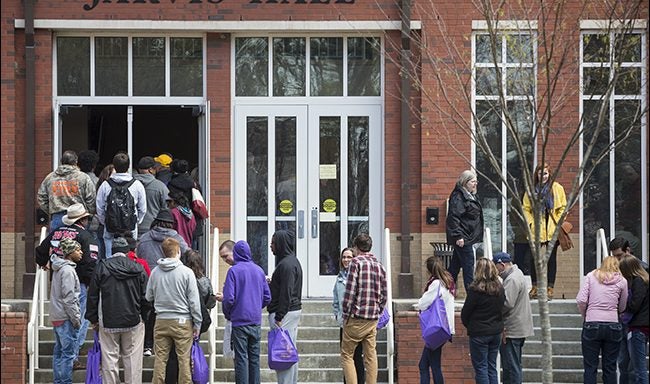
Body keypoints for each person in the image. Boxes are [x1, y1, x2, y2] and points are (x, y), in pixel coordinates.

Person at [34, 203, 99, 369]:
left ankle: (64, 360)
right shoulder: (86, 236)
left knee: (62, 325)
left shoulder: (56, 232)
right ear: (83, 219)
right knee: (79, 320)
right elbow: (90, 263)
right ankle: (73, 357)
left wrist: (44, 263)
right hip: (78, 284)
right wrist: (91, 283)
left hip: (57, 281)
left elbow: (40, 250)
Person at [85, 237, 149, 384]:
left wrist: (93, 318)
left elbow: (93, 295)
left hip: (108, 320)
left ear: (111, 251)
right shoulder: (137, 268)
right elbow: (146, 297)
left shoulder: (101, 267)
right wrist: (144, 316)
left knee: (109, 359)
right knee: (132, 359)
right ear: (127, 252)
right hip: (133, 319)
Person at [146, 237, 202, 384]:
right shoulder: (187, 272)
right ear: (178, 251)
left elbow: (148, 296)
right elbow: (194, 301)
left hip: (161, 320)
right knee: (184, 359)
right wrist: (197, 323)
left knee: (160, 359)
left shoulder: (155, 272)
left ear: (163, 252)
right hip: (182, 321)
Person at [136, 209, 190, 356]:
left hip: (149, 280)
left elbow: (138, 257)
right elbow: (188, 253)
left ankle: (147, 346)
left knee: (149, 313)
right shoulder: (176, 238)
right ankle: (168, 347)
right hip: (172, 283)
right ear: (171, 224)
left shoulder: (145, 238)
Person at [164, 249, 217, 384]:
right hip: (195, 324)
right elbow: (210, 302)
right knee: (190, 355)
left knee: (173, 355)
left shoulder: (179, 277)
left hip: (179, 320)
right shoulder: (205, 281)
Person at [222, 240, 271, 384]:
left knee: (241, 359)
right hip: (255, 321)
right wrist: (256, 306)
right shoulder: (259, 270)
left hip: (239, 322)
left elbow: (229, 299)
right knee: (254, 359)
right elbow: (267, 297)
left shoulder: (233, 271)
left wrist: (228, 313)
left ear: (236, 253)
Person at [341, 233, 387, 384]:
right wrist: (378, 312)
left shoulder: (356, 263)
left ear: (356, 247)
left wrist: (346, 313)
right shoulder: (380, 266)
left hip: (356, 317)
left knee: (347, 355)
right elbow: (384, 294)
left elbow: (350, 291)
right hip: (372, 318)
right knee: (371, 356)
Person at [576, 255, 628, 384]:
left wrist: (586, 314)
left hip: (592, 323)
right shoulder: (622, 281)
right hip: (613, 324)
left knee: (590, 367)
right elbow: (623, 305)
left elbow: (581, 300)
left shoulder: (591, 276)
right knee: (610, 367)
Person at [523, 163, 566, 300]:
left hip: (552, 228)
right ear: (537, 174)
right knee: (533, 258)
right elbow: (526, 208)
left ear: (550, 173)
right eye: (541, 174)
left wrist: (557, 222)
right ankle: (535, 287)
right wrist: (531, 222)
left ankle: (550, 288)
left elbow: (562, 207)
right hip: (536, 227)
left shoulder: (557, 188)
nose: (543, 177)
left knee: (551, 259)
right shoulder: (531, 190)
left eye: (546, 173)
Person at [609, 236, 648, 383]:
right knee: (623, 360)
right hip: (624, 319)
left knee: (634, 364)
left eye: (619, 255)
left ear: (628, 251)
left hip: (635, 320)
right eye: (614, 257)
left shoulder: (641, 270)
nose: (617, 260)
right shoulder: (615, 270)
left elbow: (638, 300)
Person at [461, 257, 505, 384]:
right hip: (496, 331)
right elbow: (502, 307)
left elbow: (466, 313)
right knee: (492, 367)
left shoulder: (475, 290)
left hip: (479, 332)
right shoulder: (500, 289)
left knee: (481, 368)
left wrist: (470, 325)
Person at [267, 229, 303, 384]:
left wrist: (279, 316)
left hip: (285, 314)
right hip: (291, 311)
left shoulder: (286, 265)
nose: (270, 245)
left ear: (281, 244)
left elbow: (287, 292)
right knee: (289, 353)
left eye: (273, 243)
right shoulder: (291, 262)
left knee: (282, 356)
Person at [493, 252, 534, 384]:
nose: (495, 271)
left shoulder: (511, 279)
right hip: (519, 327)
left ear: (502, 264)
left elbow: (507, 303)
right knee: (514, 365)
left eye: (496, 267)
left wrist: (492, 311)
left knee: (511, 368)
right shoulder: (518, 274)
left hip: (512, 330)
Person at [96, 152, 147, 257]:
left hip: (110, 228)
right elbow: (142, 209)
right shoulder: (137, 185)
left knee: (109, 257)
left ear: (114, 166)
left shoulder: (105, 185)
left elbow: (99, 208)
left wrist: (106, 221)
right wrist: (136, 221)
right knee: (130, 256)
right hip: (130, 229)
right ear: (128, 167)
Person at [416, 256, 456, 384]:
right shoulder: (448, 281)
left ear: (429, 270)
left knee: (431, 366)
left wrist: (418, 305)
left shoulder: (436, 283)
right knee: (427, 364)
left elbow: (423, 303)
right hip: (444, 328)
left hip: (437, 329)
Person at [49, 238, 83, 384]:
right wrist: (76, 319)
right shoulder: (68, 270)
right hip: (65, 317)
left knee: (58, 352)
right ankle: (65, 381)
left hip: (56, 315)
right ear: (69, 253)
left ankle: (58, 381)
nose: (81, 252)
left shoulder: (58, 268)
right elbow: (69, 298)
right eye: (77, 250)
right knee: (68, 354)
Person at [37, 149, 97, 232]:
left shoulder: (50, 178)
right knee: (78, 243)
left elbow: (41, 197)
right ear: (76, 161)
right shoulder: (83, 178)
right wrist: (88, 214)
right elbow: (91, 199)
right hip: (79, 217)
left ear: (61, 161)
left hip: (57, 217)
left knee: (57, 243)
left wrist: (51, 210)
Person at [446, 169, 484, 292]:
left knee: (454, 267)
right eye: (473, 181)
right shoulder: (459, 196)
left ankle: (445, 290)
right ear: (465, 182)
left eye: (476, 181)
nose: (475, 184)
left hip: (468, 237)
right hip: (464, 238)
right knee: (468, 267)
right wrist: (458, 236)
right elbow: (454, 217)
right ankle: (471, 295)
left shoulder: (470, 195)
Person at [333, 248, 365, 384]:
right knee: (346, 359)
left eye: (349, 257)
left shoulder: (358, 276)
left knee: (357, 358)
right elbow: (335, 300)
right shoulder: (339, 277)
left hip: (356, 322)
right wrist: (337, 316)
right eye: (344, 257)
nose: (346, 260)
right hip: (344, 324)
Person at [618, 256, 649, 384]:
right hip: (642, 326)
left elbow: (635, 304)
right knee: (635, 366)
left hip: (637, 327)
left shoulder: (638, 281)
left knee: (639, 368)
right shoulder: (645, 280)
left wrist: (623, 307)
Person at [133, 156, 170, 237]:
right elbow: (167, 209)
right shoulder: (160, 187)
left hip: (132, 228)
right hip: (152, 229)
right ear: (151, 170)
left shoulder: (130, 185)